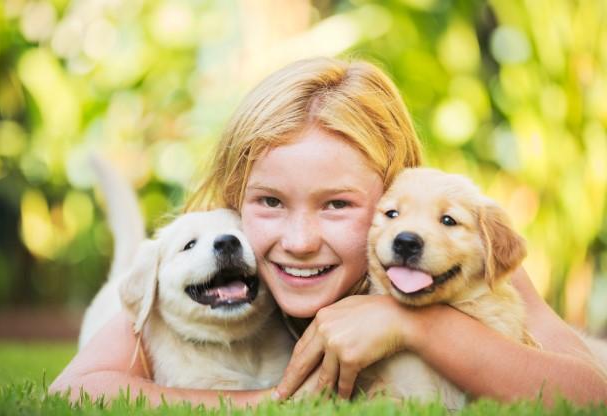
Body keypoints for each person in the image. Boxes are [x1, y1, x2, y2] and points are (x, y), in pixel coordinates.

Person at [50, 57, 607, 407]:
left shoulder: (454, 265)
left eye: (337, 205)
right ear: (236, 198)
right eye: (269, 202)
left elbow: (589, 392)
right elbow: (78, 388)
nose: (298, 240)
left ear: (394, 197)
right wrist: (272, 400)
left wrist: (413, 325)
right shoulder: (228, 268)